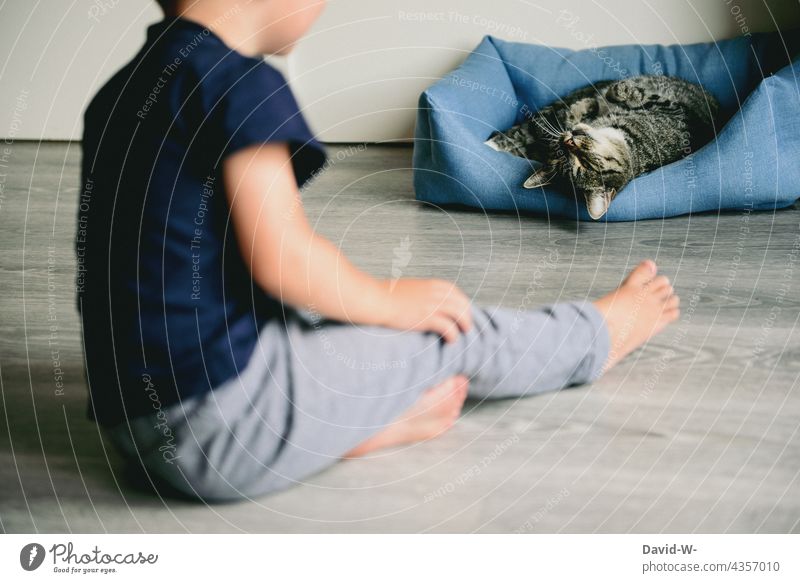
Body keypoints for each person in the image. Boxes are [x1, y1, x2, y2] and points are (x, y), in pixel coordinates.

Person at [77, 0, 680, 501]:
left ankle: (353, 427)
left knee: (320, 317)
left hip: (134, 426)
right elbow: (282, 258)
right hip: (225, 427)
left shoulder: (121, 92)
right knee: (451, 327)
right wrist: (388, 300)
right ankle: (597, 335)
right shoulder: (238, 85)